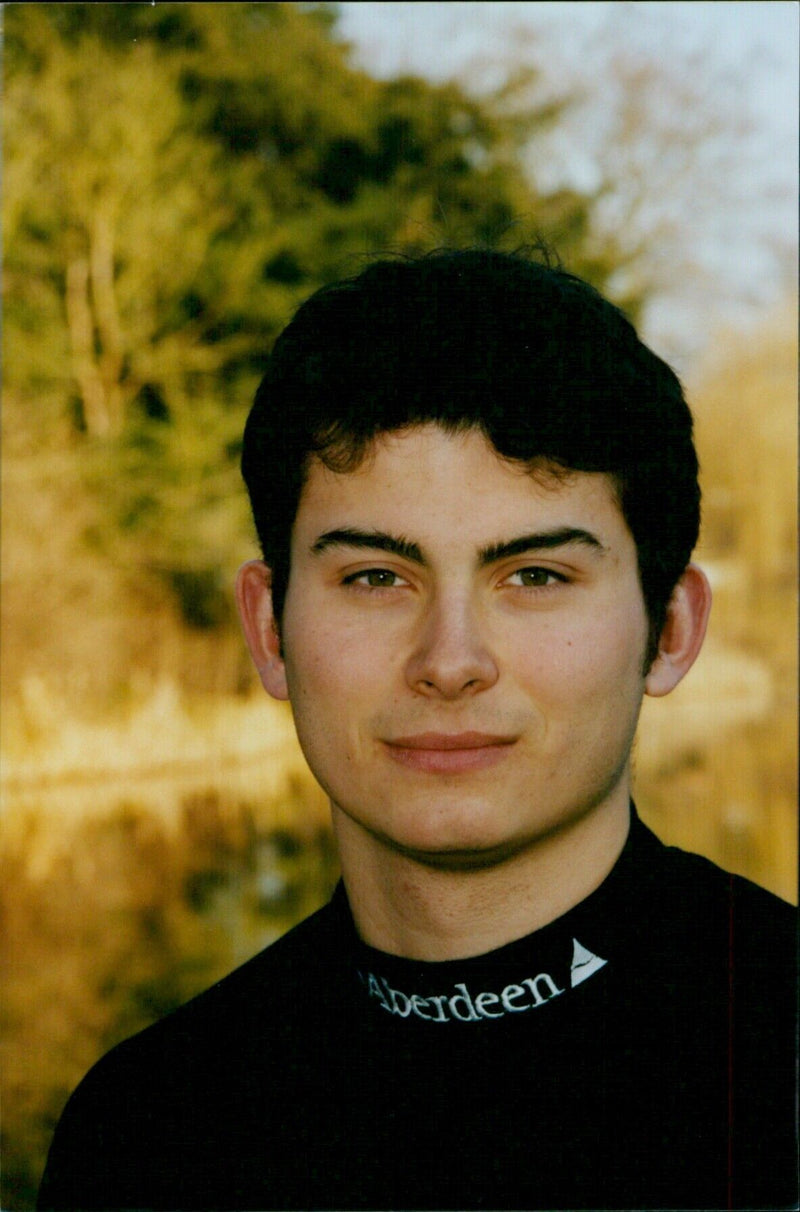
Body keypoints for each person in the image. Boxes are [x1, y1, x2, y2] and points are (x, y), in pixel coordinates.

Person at [38, 249, 796, 1211]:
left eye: (534, 577)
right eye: (374, 578)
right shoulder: (147, 1131)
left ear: (672, 630)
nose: (449, 659)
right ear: (269, 631)